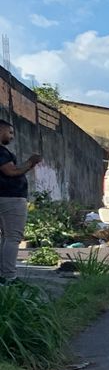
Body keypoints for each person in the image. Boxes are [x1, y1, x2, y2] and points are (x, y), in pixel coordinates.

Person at [0, 119, 42, 286]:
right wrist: (31, 162)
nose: (12, 136)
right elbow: (12, 171)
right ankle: (9, 277)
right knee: (13, 237)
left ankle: (4, 275)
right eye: (9, 132)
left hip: (6, 198)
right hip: (10, 198)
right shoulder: (1, 152)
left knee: (6, 237)